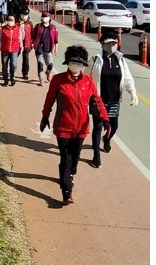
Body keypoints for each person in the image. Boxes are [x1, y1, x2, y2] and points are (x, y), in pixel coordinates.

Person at [40, 44, 109, 205]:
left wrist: (105, 119)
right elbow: (49, 99)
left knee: (75, 158)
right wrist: (45, 116)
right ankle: (66, 191)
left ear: (84, 65)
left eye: (79, 63)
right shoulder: (58, 80)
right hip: (63, 126)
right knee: (66, 158)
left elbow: (97, 101)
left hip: (82, 128)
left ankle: (69, 175)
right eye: (73, 62)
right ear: (67, 63)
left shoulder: (88, 81)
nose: (76, 66)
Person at [90, 33, 138, 167]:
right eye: (108, 44)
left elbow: (127, 78)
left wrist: (133, 93)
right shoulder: (95, 59)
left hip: (114, 100)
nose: (111, 46)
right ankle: (96, 156)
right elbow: (86, 78)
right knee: (98, 127)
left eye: (114, 44)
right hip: (98, 100)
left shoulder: (121, 60)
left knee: (114, 126)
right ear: (102, 44)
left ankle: (107, 139)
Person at [32, 11, 59, 84]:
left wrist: (56, 48)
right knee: (40, 64)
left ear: (49, 18)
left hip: (48, 48)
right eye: (43, 17)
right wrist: (32, 44)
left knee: (50, 64)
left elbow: (56, 38)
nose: (44, 18)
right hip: (39, 48)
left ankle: (48, 72)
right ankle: (41, 78)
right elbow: (33, 36)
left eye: (46, 17)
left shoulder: (53, 27)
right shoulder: (38, 27)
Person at [0, 13, 22, 85]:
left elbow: (20, 39)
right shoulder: (3, 29)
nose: (10, 21)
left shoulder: (18, 28)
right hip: (5, 49)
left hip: (14, 49)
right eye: (9, 20)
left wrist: (21, 47)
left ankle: (12, 77)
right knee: (4, 65)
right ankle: (5, 80)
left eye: (12, 20)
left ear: (14, 21)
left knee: (13, 64)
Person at [20, 10, 34, 81]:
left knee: (26, 59)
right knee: (13, 59)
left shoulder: (30, 24)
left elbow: (32, 34)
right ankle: (12, 71)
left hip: (27, 44)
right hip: (17, 44)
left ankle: (25, 73)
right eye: (23, 15)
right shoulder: (17, 23)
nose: (24, 16)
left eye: (26, 15)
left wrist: (32, 43)